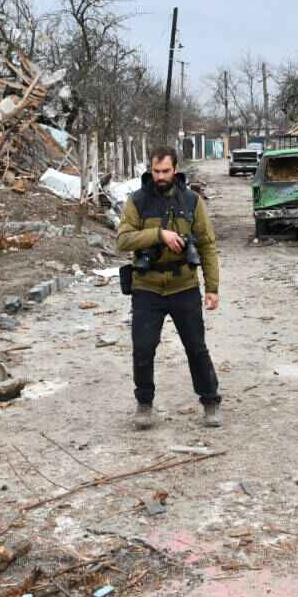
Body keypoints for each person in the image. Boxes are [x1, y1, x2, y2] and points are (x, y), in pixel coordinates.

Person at [116, 146, 222, 429]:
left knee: (196, 348)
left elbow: (208, 246)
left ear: (175, 169)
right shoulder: (137, 201)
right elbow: (123, 240)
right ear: (151, 170)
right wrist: (158, 234)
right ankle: (144, 404)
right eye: (155, 171)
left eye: (165, 171)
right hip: (147, 287)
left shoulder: (192, 201)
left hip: (184, 285)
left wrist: (212, 287)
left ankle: (210, 401)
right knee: (143, 349)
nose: (160, 176)